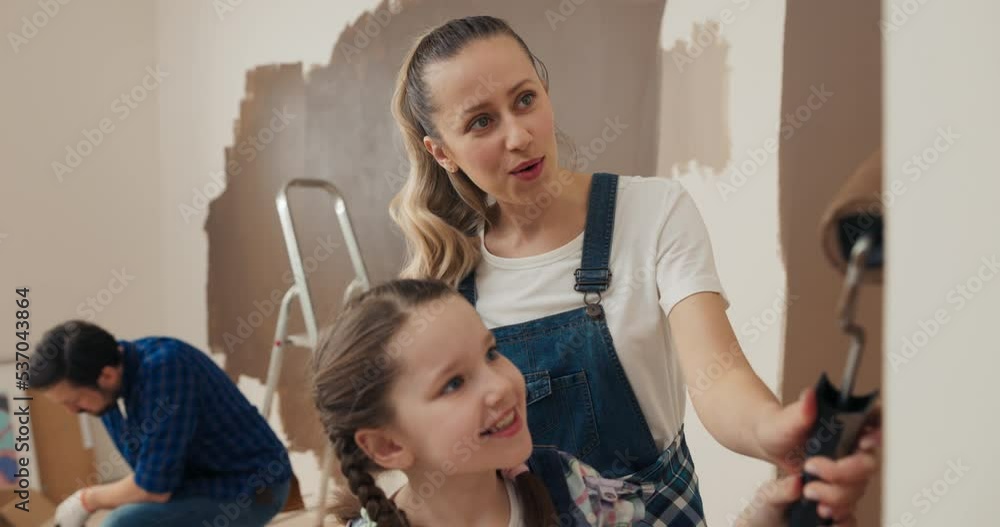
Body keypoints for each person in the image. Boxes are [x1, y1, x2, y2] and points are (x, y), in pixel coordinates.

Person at [387, 15, 879, 524]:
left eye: (525, 99)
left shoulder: (652, 212)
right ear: (441, 152)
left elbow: (718, 375)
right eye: (481, 122)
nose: (519, 136)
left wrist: (772, 430)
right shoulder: (444, 285)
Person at [311, 279, 878, 526]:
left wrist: (768, 518)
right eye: (454, 384)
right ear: (388, 445)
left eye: (491, 353)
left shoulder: (569, 489)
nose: (500, 385)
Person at [29, 321, 292, 527]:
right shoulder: (108, 388)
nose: (73, 411)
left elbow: (154, 489)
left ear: (106, 375)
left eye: (74, 401)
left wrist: (87, 500)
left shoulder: (166, 368)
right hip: (196, 485)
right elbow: (150, 474)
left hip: (251, 489)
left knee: (123, 523)